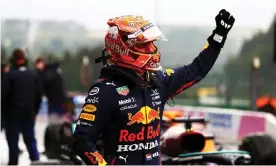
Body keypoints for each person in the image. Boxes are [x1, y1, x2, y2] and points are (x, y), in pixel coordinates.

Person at [73, 9, 235, 165]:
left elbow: (196, 70)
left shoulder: (159, 80)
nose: (152, 50)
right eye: (144, 45)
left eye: (151, 44)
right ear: (123, 48)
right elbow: (82, 140)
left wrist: (219, 36)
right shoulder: (104, 90)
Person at [2, 48, 43, 165]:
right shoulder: (33, 75)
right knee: (31, 142)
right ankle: (36, 163)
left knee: (13, 146)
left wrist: (4, 115)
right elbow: (39, 96)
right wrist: (35, 111)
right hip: (28, 115)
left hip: (11, 117)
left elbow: (3, 97)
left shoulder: (9, 76)